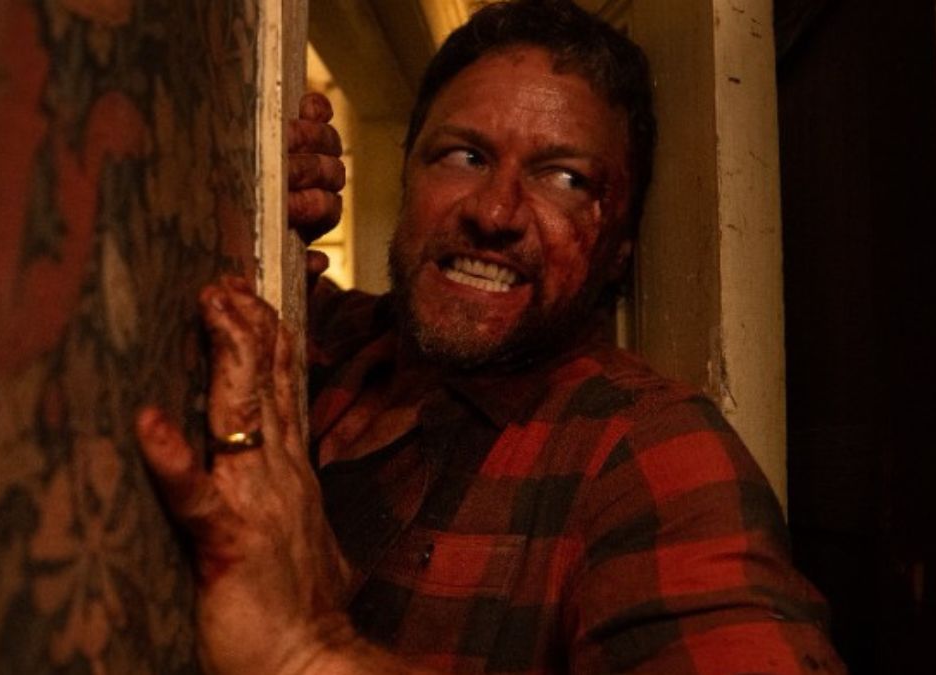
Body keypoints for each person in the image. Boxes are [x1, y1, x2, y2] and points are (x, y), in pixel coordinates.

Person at [135, 1, 846, 672]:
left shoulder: (649, 451)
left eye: (564, 178)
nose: (496, 212)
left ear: (621, 249)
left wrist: (308, 651)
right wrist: (257, 196)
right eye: (464, 157)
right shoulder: (331, 340)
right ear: (408, 176)